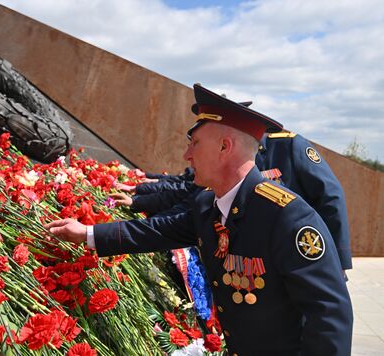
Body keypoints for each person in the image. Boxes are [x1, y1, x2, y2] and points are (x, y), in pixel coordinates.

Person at [46, 83, 353, 355]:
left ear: (224, 147)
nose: (186, 156)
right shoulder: (208, 204)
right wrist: (86, 233)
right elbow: (152, 231)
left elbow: (330, 316)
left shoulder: (287, 216)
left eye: (195, 144)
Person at [113, 132, 353, 272]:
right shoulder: (221, 166)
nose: (189, 153)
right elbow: (188, 201)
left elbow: (330, 198)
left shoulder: (289, 146)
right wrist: (136, 204)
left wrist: (337, 262)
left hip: (300, 255)